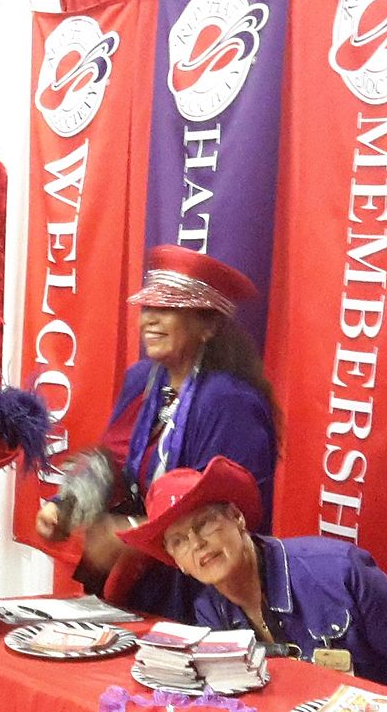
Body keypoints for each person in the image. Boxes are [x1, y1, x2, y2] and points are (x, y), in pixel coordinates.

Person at [35, 245, 279, 619]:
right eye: (148, 308)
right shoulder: (144, 380)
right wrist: (64, 506)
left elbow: (226, 511)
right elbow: (113, 459)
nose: (150, 320)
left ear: (208, 326)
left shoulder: (231, 403)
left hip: (206, 587)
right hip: (144, 581)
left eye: (168, 310)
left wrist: (131, 535)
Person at [121, 457, 387, 701]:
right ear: (177, 562)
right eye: (179, 542)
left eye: (205, 525)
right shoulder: (209, 613)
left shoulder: (338, 572)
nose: (198, 545)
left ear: (237, 518)